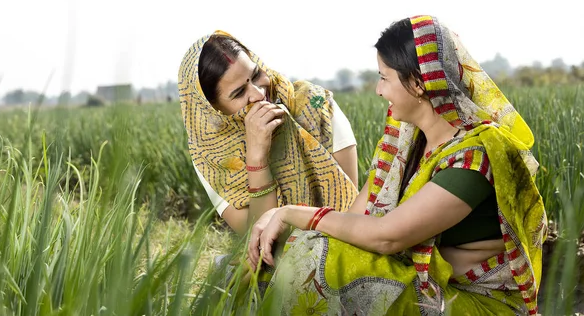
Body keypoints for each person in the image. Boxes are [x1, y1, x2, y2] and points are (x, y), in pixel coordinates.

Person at [248, 16, 547, 315]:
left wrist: (288, 212)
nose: (378, 90)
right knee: (297, 249)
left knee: (320, 255)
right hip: (428, 281)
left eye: (384, 77)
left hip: (475, 302)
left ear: (417, 83)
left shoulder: (473, 158)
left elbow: (386, 236)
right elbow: (356, 219)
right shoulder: (405, 143)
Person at [178, 30, 359, 235]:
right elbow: (254, 237)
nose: (258, 93)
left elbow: (352, 207)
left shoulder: (316, 104)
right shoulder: (210, 156)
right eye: (239, 93)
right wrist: (256, 157)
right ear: (212, 110)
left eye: (256, 75)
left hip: (344, 237)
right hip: (276, 260)